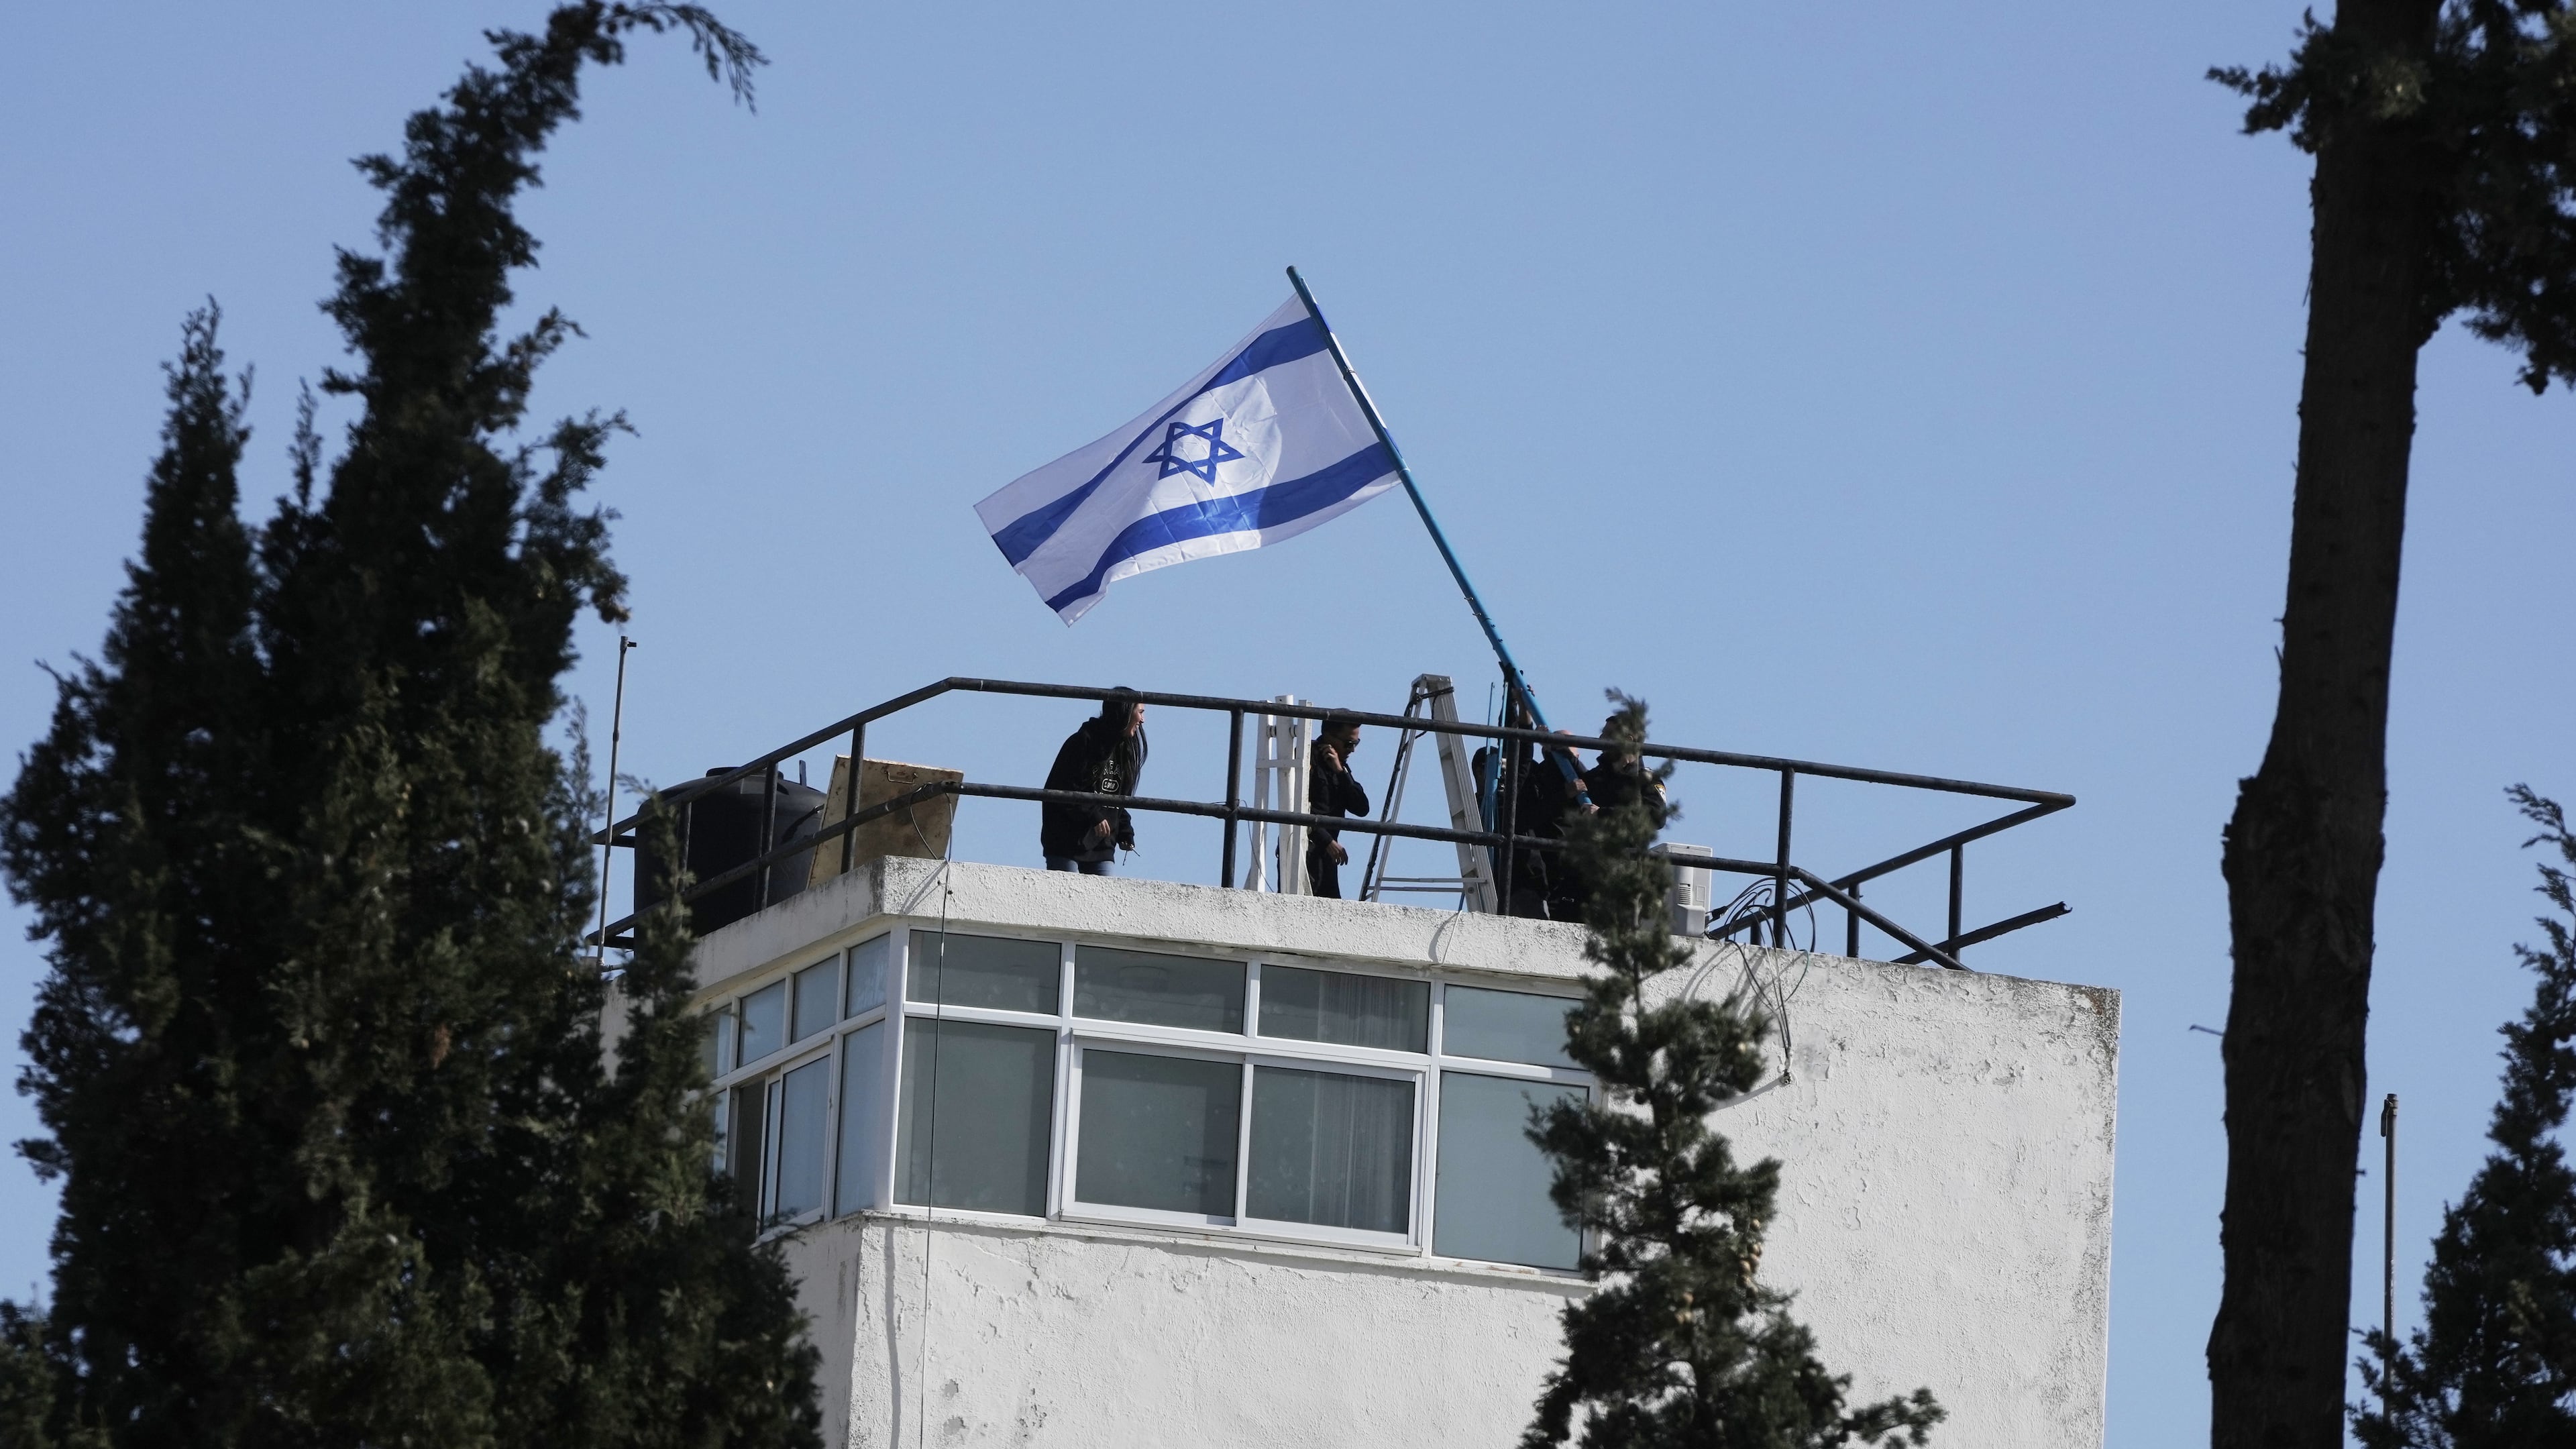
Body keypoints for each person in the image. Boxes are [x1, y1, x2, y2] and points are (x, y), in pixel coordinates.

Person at [1041, 690, 1146, 874]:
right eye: (1140, 712)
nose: (1142, 720)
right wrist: (1094, 815)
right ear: (1125, 711)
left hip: (1102, 845)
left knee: (1103, 901)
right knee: (1064, 898)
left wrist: (1124, 829)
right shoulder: (1083, 742)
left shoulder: (1124, 751)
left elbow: (1116, 799)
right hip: (1066, 840)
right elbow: (1065, 788)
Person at [1305, 714, 1371, 900]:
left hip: (1327, 855)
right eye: (1349, 744)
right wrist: (1327, 841)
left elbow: (1361, 808)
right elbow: (1296, 807)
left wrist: (1340, 772)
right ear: (1329, 738)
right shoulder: (1306, 758)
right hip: (1305, 849)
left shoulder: (1340, 767)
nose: (1352, 750)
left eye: (1356, 744)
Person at [1581, 712, 1668, 826]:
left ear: (1628, 740)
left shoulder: (1647, 780)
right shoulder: (1594, 777)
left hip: (1624, 843)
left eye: (1609, 734)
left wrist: (1603, 813)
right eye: (1602, 734)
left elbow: (1656, 817)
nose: (1601, 739)